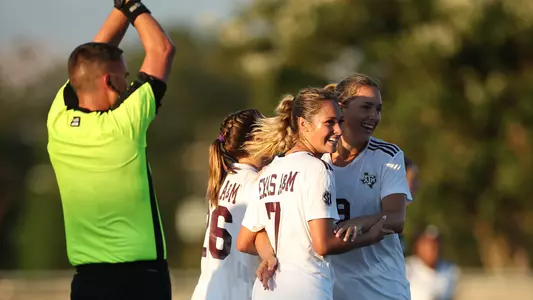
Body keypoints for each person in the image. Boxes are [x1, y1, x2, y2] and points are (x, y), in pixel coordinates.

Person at [47, 1, 175, 299]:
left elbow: (92, 55)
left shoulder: (57, 120)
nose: (128, 82)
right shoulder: (124, 124)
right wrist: (131, 6)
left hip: (88, 281)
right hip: (142, 280)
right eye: (125, 76)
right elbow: (162, 50)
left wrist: (124, 5)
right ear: (108, 81)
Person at [236, 88, 389, 300]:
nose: (338, 130)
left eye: (340, 122)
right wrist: (371, 236)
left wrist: (269, 255)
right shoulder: (317, 168)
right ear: (303, 124)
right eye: (329, 123)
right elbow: (322, 244)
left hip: (266, 291)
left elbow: (245, 241)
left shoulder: (267, 171)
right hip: (306, 289)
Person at [323, 74, 412, 300]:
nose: (374, 116)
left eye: (378, 109)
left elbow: (395, 218)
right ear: (341, 108)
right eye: (366, 107)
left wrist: (355, 224)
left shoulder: (388, 156)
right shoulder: (314, 161)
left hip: (382, 291)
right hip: (331, 292)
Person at [191, 109, 275, 300]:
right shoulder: (256, 183)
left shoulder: (222, 180)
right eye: (268, 132)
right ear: (255, 138)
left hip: (206, 291)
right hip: (235, 292)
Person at [405, 225, 460, 300]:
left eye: (434, 244)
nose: (431, 248)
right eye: (426, 244)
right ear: (418, 246)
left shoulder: (451, 271)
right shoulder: (406, 268)